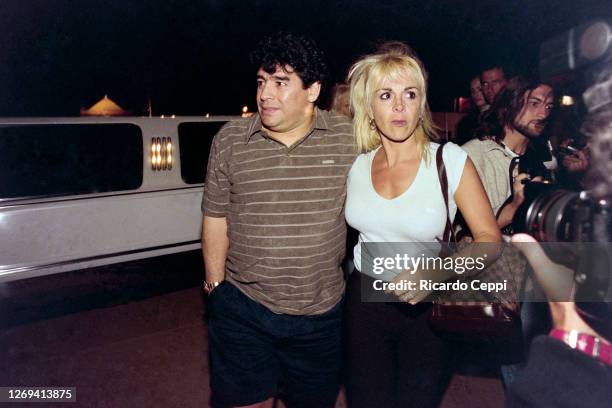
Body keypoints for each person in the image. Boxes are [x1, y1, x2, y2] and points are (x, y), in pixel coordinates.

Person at [201, 32, 356, 408]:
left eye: (280, 82)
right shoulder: (231, 140)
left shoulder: (347, 139)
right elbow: (215, 217)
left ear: (313, 91)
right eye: (261, 81)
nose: (265, 93)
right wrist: (215, 286)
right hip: (244, 308)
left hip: (320, 317)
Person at [343, 43, 501, 408]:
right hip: (364, 300)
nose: (399, 106)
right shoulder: (356, 165)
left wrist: (437, 272)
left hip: (429, 307)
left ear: (421, 103)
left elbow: (490, 240)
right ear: (369, 107)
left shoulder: (449, 159)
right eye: (386, 95)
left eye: (409, 94)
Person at [463, 77, 555, 231]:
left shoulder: (540, 161)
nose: (544, 114)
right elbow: (463, 237)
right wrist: (514, 208)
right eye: (534, 103)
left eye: (549, 106)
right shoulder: (472, 156)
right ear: (509, 103)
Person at [455, 75, 490, 145]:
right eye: (472, 91)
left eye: (479, 89)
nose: (475, 94)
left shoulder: (499, 117)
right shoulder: (466, 122)